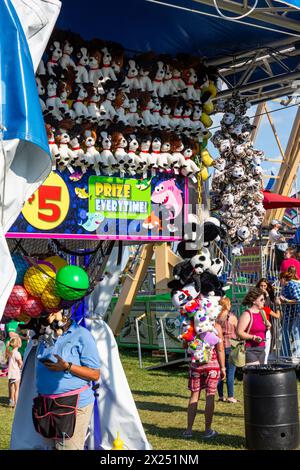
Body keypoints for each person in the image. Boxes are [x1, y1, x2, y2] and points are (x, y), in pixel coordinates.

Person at [34, 309, 101, 450]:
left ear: (65, 314)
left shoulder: (82, 335)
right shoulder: (45, 334)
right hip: (46, 404)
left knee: (67, 448)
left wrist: (67, 366)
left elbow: (95, 374)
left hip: (73, 404)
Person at [183, 322, 226, 439]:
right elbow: (220, 349)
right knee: (210, 396)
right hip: (212, 365)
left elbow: (185, 345)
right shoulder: (216, 326)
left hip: (196, 365)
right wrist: (223, 367)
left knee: (194, 396)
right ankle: (207, 430)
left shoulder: (191, 324)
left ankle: (189, 430)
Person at [237, 288, 271, 365]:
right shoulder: (247, 314)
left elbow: (263, 327)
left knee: (260, 375)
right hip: (250, 349)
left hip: (262, 349)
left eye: (264, 299)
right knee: (254, 374)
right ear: (254, 301)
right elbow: (239, 332)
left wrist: (268, 326)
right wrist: (253, 337)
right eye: (261, 299)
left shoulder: (262, 313)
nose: (264, 301)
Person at [216, 297, 238, 403]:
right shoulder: (232, 317)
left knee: (221, 371)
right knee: (230, 373)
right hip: (231, 345)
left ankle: (220, 396)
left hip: (219, 346)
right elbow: (238, 330)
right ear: (227, 305)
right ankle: (230, 396)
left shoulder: (217, 317)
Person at [256, 278, 281, 363]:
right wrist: (278, 306)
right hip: (262, 329)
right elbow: (277, 315)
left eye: (264, 286)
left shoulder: (266, 308)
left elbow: (275, 314)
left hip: (267, 327)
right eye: (261, 286)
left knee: (264, 350)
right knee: (264, 351)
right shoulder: (263, 308)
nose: (263, 287)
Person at [5, 337, 23, 407]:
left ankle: (11, 401)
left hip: (11, 374)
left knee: (12, 389)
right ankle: (16, 404)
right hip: (16, 374)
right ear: (18, 344)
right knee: (17, 389)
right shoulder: (17, 353)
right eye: (20, 341)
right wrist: (21, 366)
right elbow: (20, 363)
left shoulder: (11, 352)